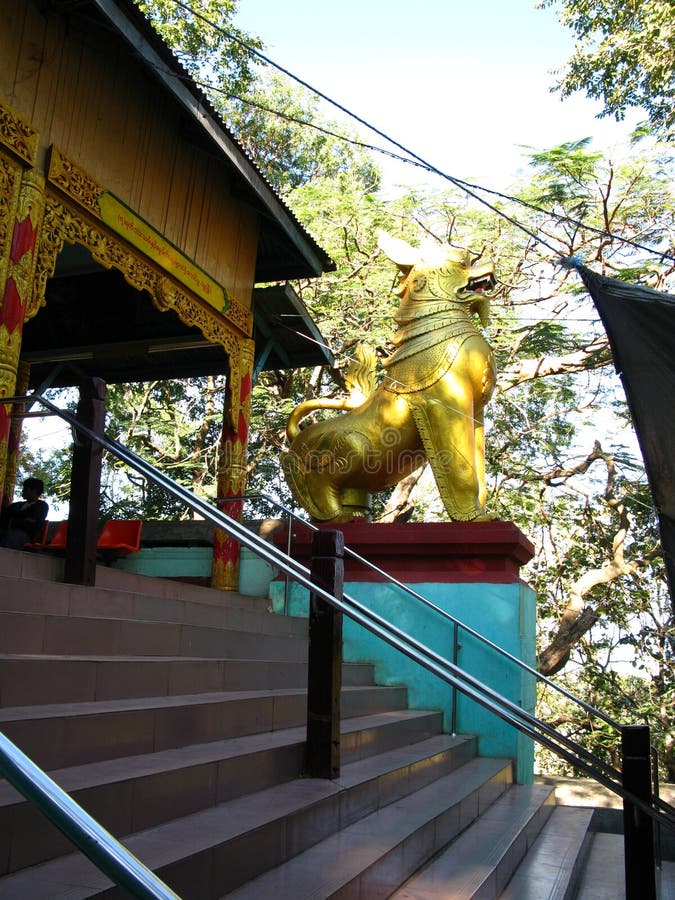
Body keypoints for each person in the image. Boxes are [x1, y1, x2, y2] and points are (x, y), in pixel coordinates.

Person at [0, 477, 49, 550]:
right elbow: (4, 516)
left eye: (26, 488)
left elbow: (34, 523)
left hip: (25, 536)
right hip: (8, 531)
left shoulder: (42, 506)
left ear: (33, 490)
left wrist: (15, 518)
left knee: (13, 536)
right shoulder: (17, 505)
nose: (23, 491)